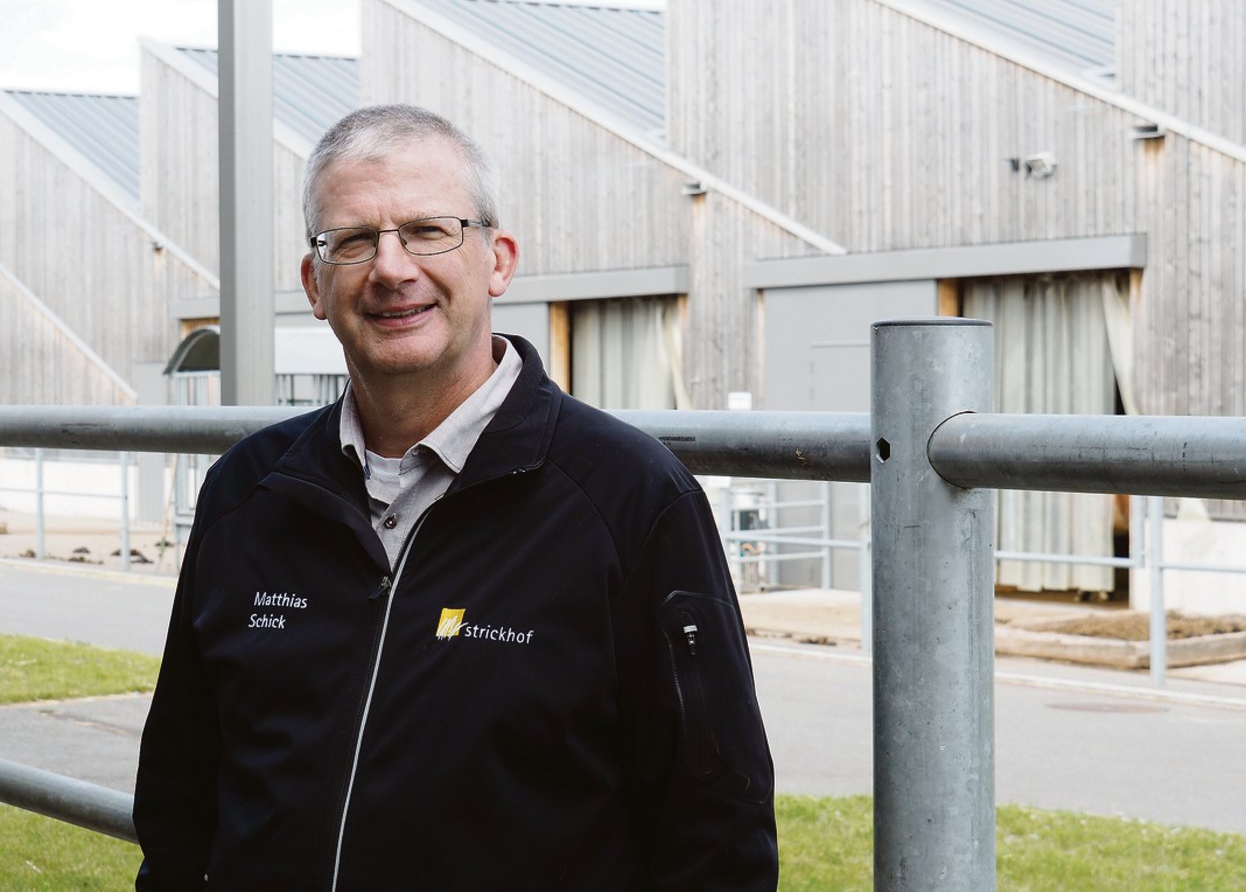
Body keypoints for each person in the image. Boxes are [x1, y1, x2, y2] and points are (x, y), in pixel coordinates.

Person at [133, 104, 777, 890]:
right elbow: (179, 796)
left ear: (497, 260)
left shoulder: (631, 501)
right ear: (314, 282)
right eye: (354, 239)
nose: (391, 268)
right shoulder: (248, 492)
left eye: (429, 230)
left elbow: (715, 831)